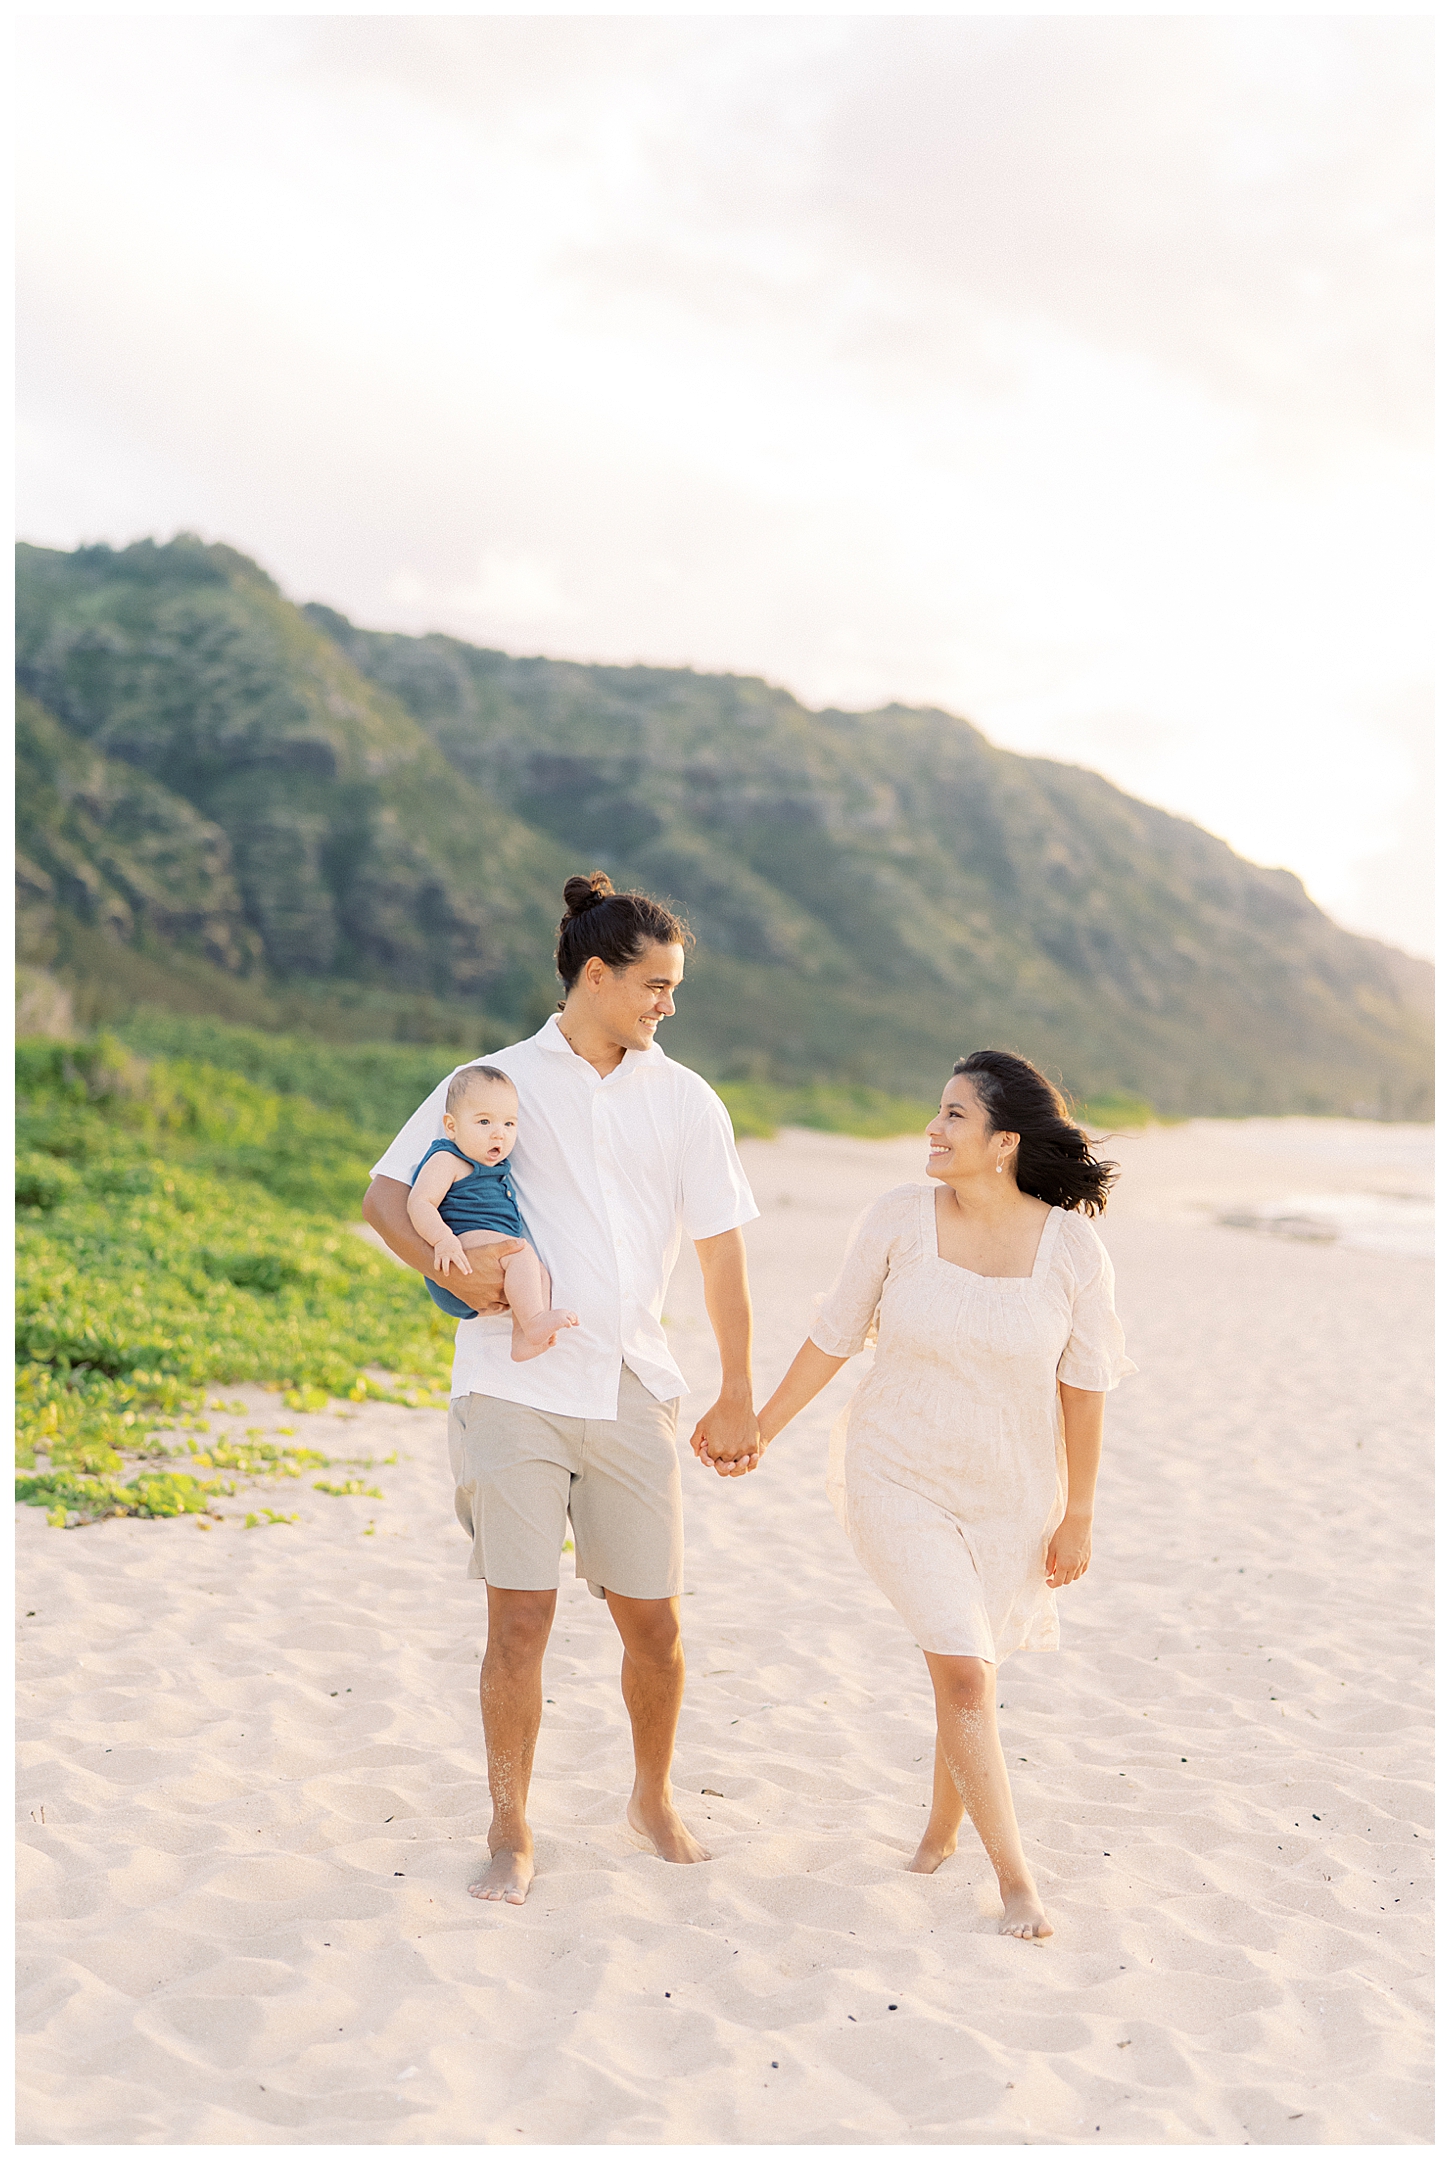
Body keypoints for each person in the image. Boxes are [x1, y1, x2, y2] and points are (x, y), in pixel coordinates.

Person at [362, 873, 760, 1907]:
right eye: (655, 984)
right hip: (511, 1383)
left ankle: (653, 1797)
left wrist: (737, 1392)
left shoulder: (685, 1099)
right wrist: (443, 1267)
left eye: (674, 988)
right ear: (596, 975)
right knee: (520, 1620)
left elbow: (722, 1258)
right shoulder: (492, 1079)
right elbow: (386, 1194)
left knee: (655, 1626)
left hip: (632, 1384)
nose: (668, 1004)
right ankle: (510, 1829)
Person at [699, 1048, 1134, 1941]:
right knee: (968, 1670)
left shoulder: (1071, 1248)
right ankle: (1017, 1882)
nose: (931, 1131)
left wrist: (1078, 1510)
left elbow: (1085, 1383)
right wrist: (764, 1427)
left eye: (953, 1116)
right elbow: (834, 1335)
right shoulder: (898, 1219)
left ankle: (939, 1832)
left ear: (1004, 1141)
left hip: (1013, 1491)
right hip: (897, 1473)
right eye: (937, 1113)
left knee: (967, 1661)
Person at [406, 1063, 579, 1362]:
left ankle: (523, 1337)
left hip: (482, 1257)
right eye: (484, 1122)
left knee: (538, 1272)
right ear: (452, 1126)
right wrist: (443, 1239)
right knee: (520, 1253)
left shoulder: (494, 1169)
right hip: (459, 1250)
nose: (498, 1134)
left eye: (509, 1124)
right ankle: (534, 1320)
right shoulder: (448, 1159)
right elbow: (419, 1202)